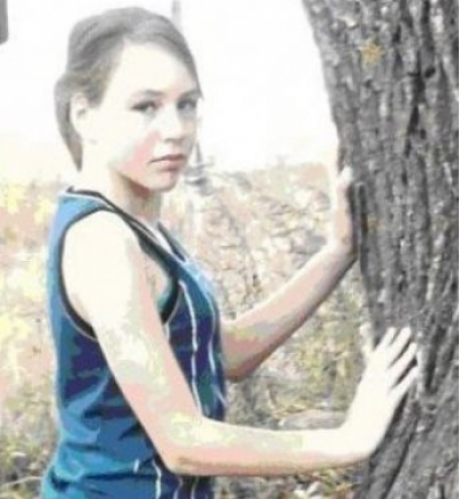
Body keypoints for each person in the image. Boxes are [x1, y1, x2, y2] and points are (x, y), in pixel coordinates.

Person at [40, 7, 419, 499]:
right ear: (83, 115)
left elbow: (222, 352)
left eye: (187, 104)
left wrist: (336, 253)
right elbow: (181, 441)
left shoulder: (136, 228)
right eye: (145, 107)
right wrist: (346, 439)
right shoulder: (103, 241)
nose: (176, 129)